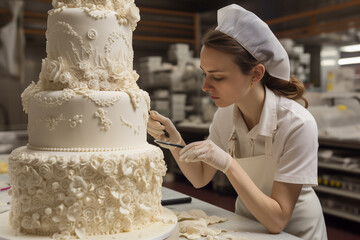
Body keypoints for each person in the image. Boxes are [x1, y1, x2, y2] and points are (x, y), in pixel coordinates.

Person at [147, 4, 327, 240]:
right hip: (248, 227)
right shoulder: (226, 115)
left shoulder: (296, 124)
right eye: (205, 73)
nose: (205, 86)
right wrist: (173, 141)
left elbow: (277, 220)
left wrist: (229, 164)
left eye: (218, 77)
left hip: (293, 232)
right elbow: (200, 177)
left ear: (256, 74)